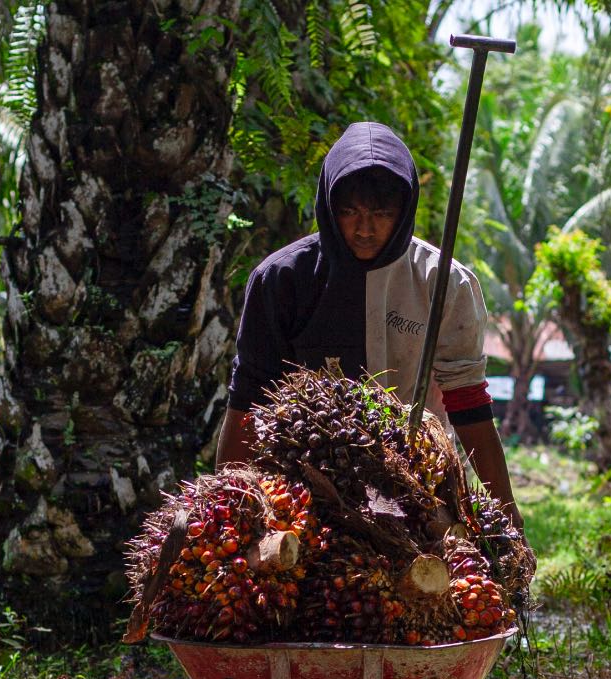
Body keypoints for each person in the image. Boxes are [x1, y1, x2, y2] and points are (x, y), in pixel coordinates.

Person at [215, 122, 521, 526]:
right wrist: (227, 504)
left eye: (381, 214)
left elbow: (468, 403)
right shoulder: (281, 279)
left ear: (403, 211)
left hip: (420, 483)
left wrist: (508, 516)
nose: (364, 229)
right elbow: (249, 400)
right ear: (328, 206)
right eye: (350, 212)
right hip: (304, 491)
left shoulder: (443, 282)